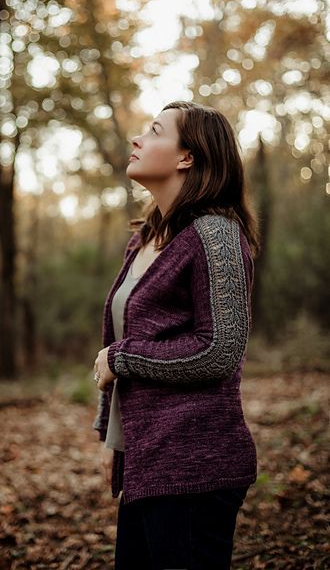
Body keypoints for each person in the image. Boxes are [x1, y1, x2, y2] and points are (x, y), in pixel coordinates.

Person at [92, 100, 260, 570]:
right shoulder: (145, 238)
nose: (137, 139)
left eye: (154, 131)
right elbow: (124, 336)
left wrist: (121, 359)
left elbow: (219, 351)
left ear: (187, 156)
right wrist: (113, 439)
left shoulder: (216, 235)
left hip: (195, 465)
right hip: (147, 460)